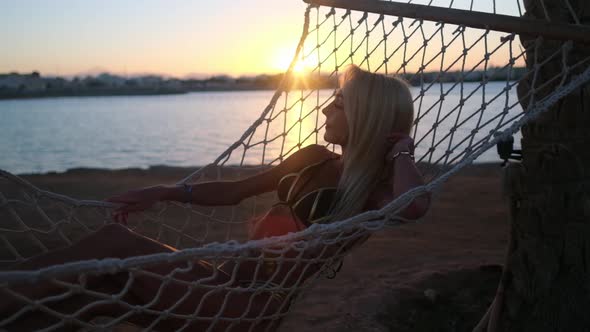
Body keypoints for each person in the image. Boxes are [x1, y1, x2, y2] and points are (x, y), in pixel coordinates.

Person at [0, 65, 430, 331]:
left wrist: (403, 149)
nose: (324, 111)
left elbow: (414, 207)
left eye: (336, 104)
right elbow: (237, 191)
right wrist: (169, 191)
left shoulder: (376, 192)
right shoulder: (314, 156)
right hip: (219, 285)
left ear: (366, 117)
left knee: (118, 248)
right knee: (93, 290)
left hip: (243, 310)